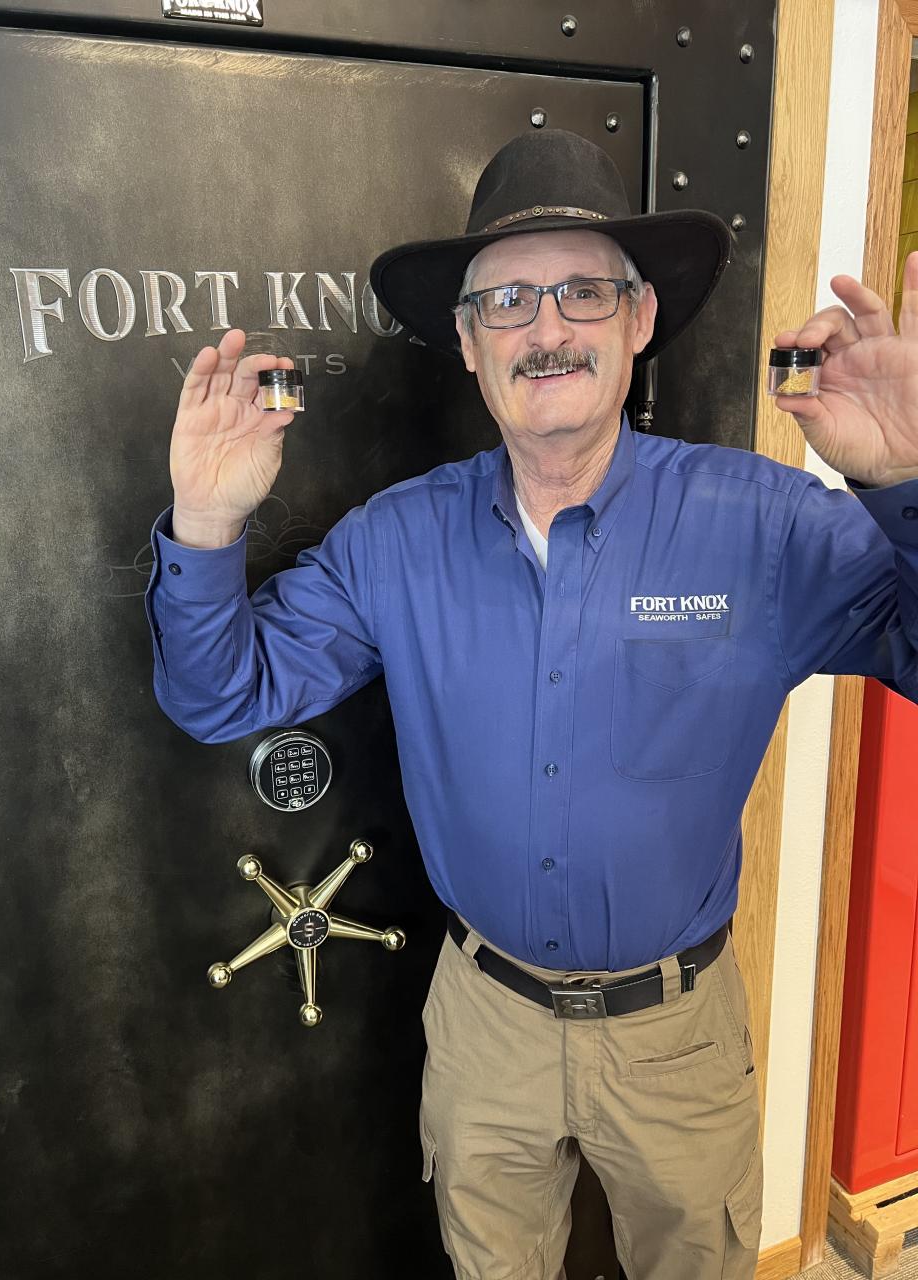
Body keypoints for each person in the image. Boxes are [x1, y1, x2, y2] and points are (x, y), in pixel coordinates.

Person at [145, 129, 918, 1280]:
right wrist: (206, 525)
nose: (546, 326)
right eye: (507, 299)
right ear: (466, 342)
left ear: (639, 320)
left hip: (678, 1033)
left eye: (581, 292)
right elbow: (220, 694)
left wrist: (906, 482)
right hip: (484, 1017)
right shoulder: (396, 539)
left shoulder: (767, 525)